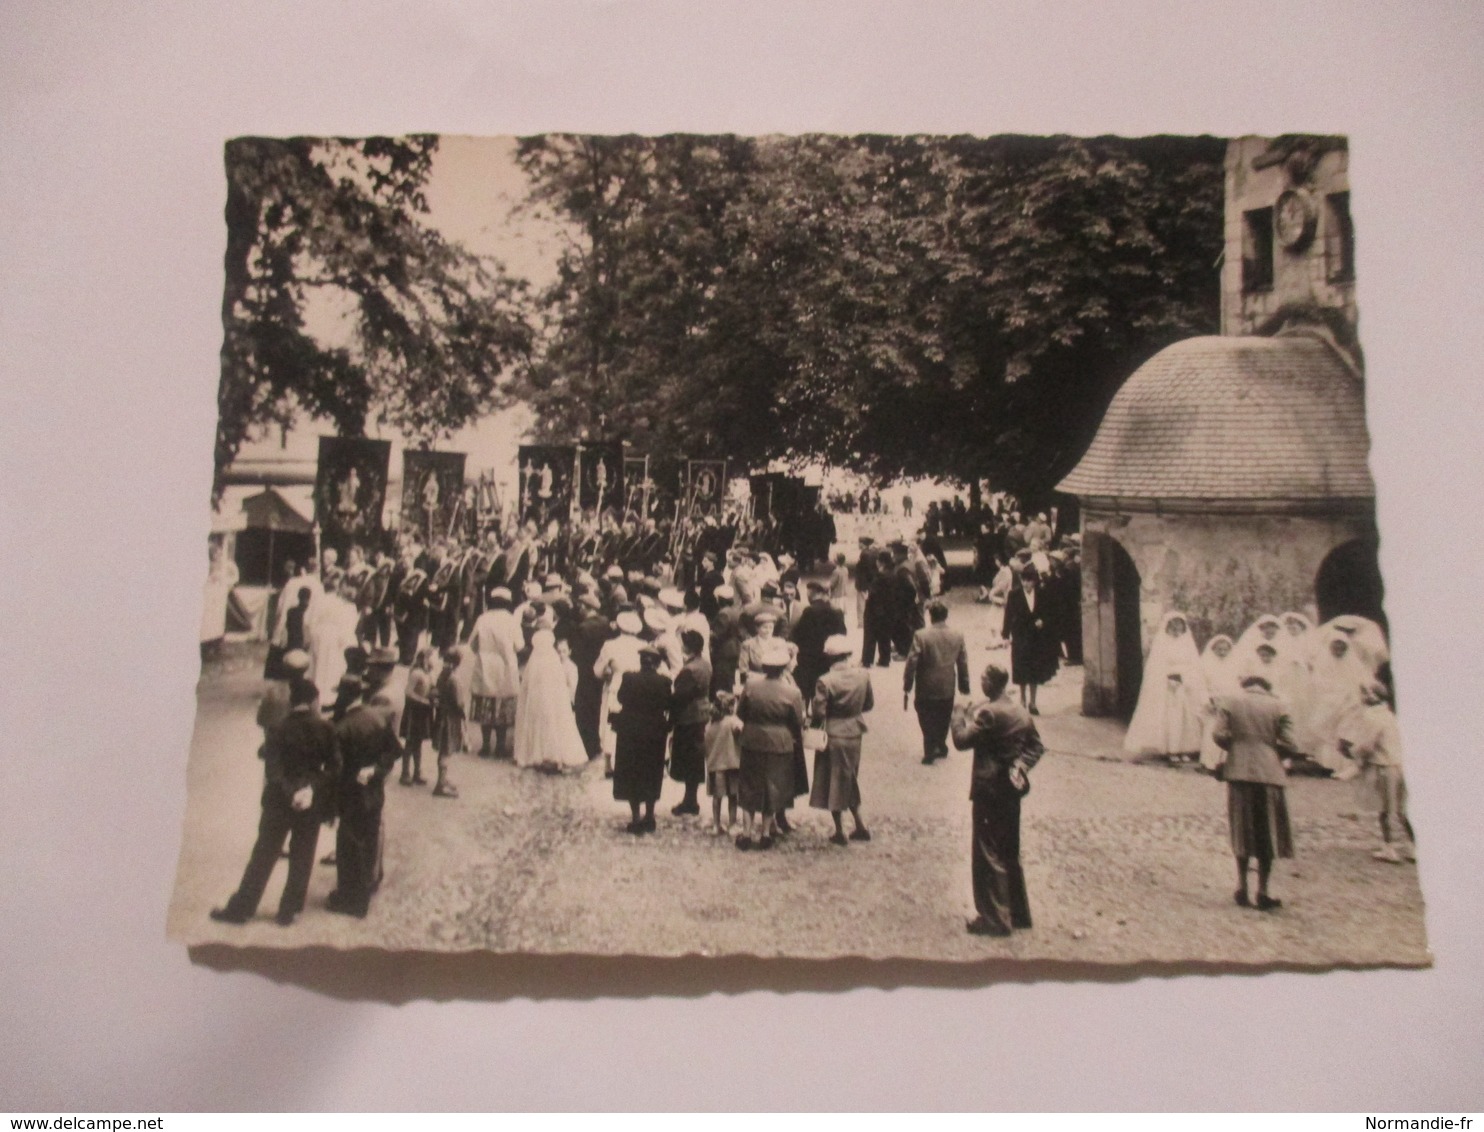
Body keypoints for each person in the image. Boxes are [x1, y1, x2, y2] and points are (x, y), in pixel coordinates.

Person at [210, 678, 339, 927]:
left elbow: (273, 771)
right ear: (314, 701)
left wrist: (291, 793)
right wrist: (309, 789)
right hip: (310, 803)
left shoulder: (278, 729)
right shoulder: (326, 729)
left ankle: (242, 908)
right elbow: (335, 767)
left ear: (291, 702)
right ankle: (288, 911)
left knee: (264, 854)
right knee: (302, 856)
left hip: (279, 803)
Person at [952, 663, 1043, 937]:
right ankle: (1017, 913)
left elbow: (961, 740)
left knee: (987, 852)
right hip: (1010, 790)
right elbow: (1036, 746)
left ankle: (994, 919)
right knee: (1009, 850)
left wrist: (959, 715)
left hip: (989, 788)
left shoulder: (989, 713)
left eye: (983, 677)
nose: (981, 682)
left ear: (992, 683)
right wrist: (1020, 765)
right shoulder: (1019, 710)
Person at [1212, 672, 1297, 912]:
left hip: (1238, 771)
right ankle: (1263, 890)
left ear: (1245, 686)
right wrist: (1270, 750)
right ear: (1266, 687)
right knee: (1267, 831)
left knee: (1242, 828)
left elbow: (1218, 734)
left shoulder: (1231, 701)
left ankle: (1241, 886)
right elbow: (1291, 743)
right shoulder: (1278, 705)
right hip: (1269, 774)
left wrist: (1236, 746)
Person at [327, 649, 402, 918]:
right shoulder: (377, 717)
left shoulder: (342, 728)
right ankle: (369, 883)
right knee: (370, 836)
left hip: (351, 794)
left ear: (344, 696)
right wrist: (376, 771)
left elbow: (335, 768)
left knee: (349, 844)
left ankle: (352, 898)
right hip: (374, 791)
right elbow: (394, 751)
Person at [735, 638, 806, 851]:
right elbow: (797, 722)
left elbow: (741, 713)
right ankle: (766, 832)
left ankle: (746, 833)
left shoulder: (751, 686)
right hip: (780, 743)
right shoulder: (792, 692)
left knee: (748, 785)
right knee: (772, 787)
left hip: (753, 739)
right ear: (783, 668)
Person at [1338, 680, 1415, 863]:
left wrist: (1350, 751)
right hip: (1398, 764)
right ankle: (1413, 848)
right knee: (1401, 810)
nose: (1362, 697)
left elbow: (1367, 745)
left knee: (1385, 809)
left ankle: (1389, 848)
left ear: (1373, 696)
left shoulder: (1372, 717)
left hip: (1384, 767)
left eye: (1365, 694)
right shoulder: (1389, 715)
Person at [809, 635, 874, 845]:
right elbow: (868, 704)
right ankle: (859, 825)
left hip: (834, 733)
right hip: (854, 730)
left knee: (833, 781)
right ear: (848, 655)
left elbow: (819, 712)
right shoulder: (863, 675)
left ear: (829, 657)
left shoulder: (825, 680)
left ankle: (840, 830)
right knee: (850, 778)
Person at [1123, 611, 1207, 763]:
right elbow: (1156, 666)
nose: (1176, 632)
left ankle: (1184, 749)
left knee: (1185, 718)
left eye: (1179, 628)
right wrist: (1168, 678)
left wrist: (1186, 678)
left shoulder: (1187, 643)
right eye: (1173, 628)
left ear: (1183, 629)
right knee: (1170, 718)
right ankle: (1170, 750)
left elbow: (1194, 665)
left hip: (1185, 684)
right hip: (1167, 685)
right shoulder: (1162, 643)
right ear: (1167, 628)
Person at [513, 609, 589, 772]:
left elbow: (526, 688)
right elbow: (561, 687)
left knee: (537, 721)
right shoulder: (553, 661)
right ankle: (553, 753)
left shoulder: (534, 663)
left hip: (537, 703)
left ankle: (537, 752)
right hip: (553, 704)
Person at [612, 644, 672, 834]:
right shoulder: (663, 682)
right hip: (654, 732)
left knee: (632, 772)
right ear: (657, 664)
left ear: (641, 661)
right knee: (652, 772)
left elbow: (621, 698)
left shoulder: (629, 678)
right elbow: (668, 704)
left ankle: (636, 818)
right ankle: (650, 816)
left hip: (630, 730)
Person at [903, 599, 971, 765]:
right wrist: (964, 684)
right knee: (944, 714)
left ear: (930, 616)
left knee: (925, 714)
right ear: (946, 616)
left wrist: (908, 684)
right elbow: (962, 661)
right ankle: (940, 742)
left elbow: (912, 661)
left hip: (926, 684)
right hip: (947, 683)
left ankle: (930, 746)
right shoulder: (957, 635)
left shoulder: (921, 635)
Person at [469, 587, 522, 759]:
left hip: (485, 664)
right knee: (503, 707)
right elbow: (519, 645)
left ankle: (485, 746)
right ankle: (500, 746)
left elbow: (472, 644)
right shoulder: (511, 620)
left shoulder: (482, 619)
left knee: (486, 705)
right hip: (505, 666)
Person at [1002, 563, 1059, 715]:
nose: (1026, 584)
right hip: (1020, 635)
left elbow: (1049, 611)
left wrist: (1043, 621)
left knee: (1035, 668)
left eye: (1029, 581)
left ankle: (1033, 702)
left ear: (1034, 581)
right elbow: (1008, 616)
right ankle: (1022, 699)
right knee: (1021, 667)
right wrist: (1005, 635)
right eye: (1024, 580)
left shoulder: (1041, 593)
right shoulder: (1014, 595)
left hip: (1036, 636)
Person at [596, 609, 647, 777]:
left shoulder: (610, 645)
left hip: (617, 685)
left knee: (612, 722)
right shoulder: (644, 645)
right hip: (638, 687)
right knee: (634, 722)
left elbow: (597, 670)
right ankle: (632, 761)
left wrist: (608, 673)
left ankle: (608, 764)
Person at [667, 629, 712, 815]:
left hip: (687, 716)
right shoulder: (705, 665)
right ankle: (690, 799)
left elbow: (680, 698)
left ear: (688, 647)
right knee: (695, 758)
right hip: (701, 713)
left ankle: (690, 800)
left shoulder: (689, 670)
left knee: (687, 760)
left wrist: (671, 718)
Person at [790, 581, 847, 704]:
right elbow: (842, 633)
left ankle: (807, 709)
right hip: (829, 656)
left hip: (809, 656)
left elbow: (798, 634)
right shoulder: (837, 611)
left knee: (808, 685)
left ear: (814, 594)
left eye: (808, 594)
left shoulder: (809, 611)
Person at [1198, 634, 1240, 773]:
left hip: (1229, 701)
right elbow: (1201, 685)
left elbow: (1238, 685)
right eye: (1219, 649)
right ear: (1213, 649)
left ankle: (1225, 762)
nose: (1222, 652)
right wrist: (1208, 701)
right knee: (1212, 731)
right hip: (1213, 702)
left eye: (1225, 649)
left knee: (1227, 731)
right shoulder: (1206, 664)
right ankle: (1209, 762)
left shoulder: (1234, 664)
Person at [704, 692, 743, 836]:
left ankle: (716, 824)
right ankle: (732, 824)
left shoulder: (711, 723)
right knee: (733, 796)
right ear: (731, 706)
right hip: (732, 763)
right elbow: (741, 732)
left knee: (717, 797)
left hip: (715, 765)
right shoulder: (733, 721)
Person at [399, 647, 436, 786]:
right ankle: (405, 773)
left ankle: (417, 773)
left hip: (423, 712)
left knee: (418, 743)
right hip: (414, 712)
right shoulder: (416, 674)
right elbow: (408, 692)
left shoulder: (429, 674)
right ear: (423, 659)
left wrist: (434, 694)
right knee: (410, 743)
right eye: (429, 658)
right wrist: (424, 701)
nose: (431, 662)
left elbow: (432, 688)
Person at [430, 646, 462, 797]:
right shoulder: (454, 679)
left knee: (443, 750)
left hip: (441, 716)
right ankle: (440, 785)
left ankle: (442, 779)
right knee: (446, 751)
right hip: (450, 718)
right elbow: (458, 702)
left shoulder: (442, 675)